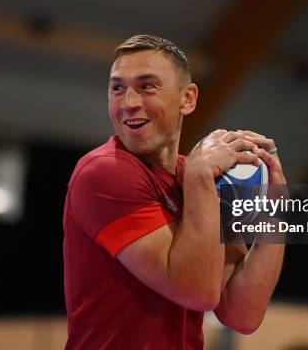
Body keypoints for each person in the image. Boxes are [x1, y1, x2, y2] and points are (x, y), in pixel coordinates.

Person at [63, 35, 286, 349]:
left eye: (147, 86)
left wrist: (275, 216)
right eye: (117, 88)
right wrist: (198, 178)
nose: (128, 103)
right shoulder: (103, 172)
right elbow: (198, 292)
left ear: (188, 99)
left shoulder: (199, 178)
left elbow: (241, 314)